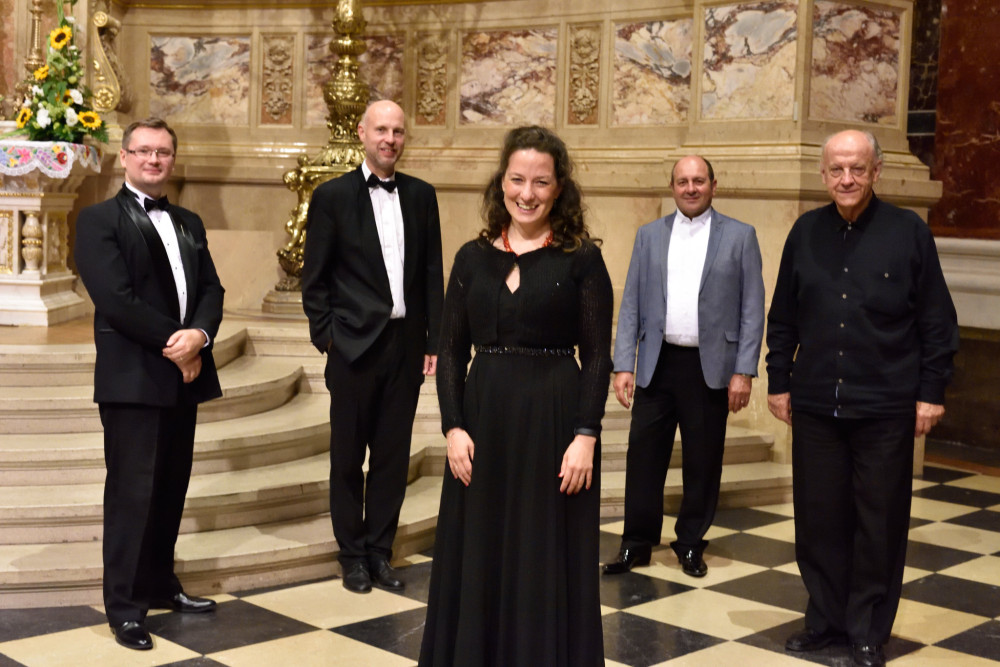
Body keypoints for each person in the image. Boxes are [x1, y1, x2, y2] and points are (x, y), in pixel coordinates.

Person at [419, 126, 613, 666]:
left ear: (559, 188)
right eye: (517, 179)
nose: (527, 193)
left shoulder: (581, 259)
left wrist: (586, 435)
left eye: (541, 182)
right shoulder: (471, 258)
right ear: (501, 182)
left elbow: (598, 355)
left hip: (554, 423)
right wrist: (453, 426)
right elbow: (450, 351)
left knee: (543, 552)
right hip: (484, 424)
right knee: (479, 549)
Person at [766, 130, 959, 667]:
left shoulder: (908, 231)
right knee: (819, 520)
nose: (846, 179)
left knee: (879, 523)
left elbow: (936, 321)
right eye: (836, 169)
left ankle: (868, 629)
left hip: (885, 405)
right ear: (823, 174)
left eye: (857, 168)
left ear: (876, 172)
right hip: (816, 404)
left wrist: (931, 392)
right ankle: (826, 621)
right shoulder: (804, 232)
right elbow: (783, 317)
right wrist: (778, 380)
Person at [74, 117, 225, 651]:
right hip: (134, 378)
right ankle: (125, 608)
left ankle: (161, 583)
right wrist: (178, 346)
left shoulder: (189, 221)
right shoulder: (98, 220)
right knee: (132, 496)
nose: (153, 160)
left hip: (184, 375)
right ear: (124, 157)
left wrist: (200, 335)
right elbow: (116, 301)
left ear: (172, 159)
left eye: (162, 152)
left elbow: (211, 289)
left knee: (170, 488)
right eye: (142, 151)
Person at [301, 100, 444, 594]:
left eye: (398, 131)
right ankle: (352, 556)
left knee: (391, 457)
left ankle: (380, 552)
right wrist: (329, 338)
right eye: (381, 129)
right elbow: (314, 280)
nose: (390, 139)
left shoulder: (422, 195)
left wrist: (434, 339)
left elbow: (431, 273)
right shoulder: (332, 196)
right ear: (362, 133)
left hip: (405, 347)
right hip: (353, 347)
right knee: (347, 459)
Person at [602, 155, 764, 578]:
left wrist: (744, 370)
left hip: (710, 367)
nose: (690, 188)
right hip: (657, 363)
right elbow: (632, 302)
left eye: (698, 180)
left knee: (703, 461)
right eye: (682, 181)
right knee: (643, 458)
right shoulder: (649, 235)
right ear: (672, 187)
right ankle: (636, 543)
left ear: (714, 184)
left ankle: (690, 542)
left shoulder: (741, 236)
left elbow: (752, 309)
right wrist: (624, 364)